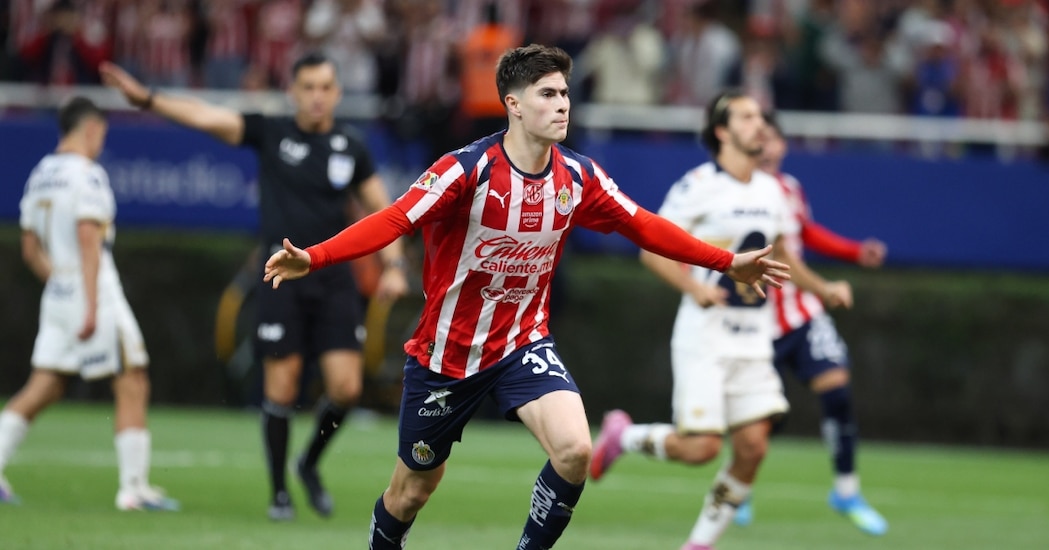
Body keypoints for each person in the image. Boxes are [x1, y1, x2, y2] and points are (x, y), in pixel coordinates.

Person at [262, 44, 790, 550]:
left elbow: (644, 225)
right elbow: (395, 218)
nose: (561, 104)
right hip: (447, 355)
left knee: (575, 449)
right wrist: (316, 256)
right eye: (546, 94)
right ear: (512, 104)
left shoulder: (579, 176)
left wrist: (727, 262)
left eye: (564, 93)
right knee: (411, 492)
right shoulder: (465, 170)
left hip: (522, 344)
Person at [99, 52, 410, 521]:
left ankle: (308, 463)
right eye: (308, 86)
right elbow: (207, 116)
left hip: (332, 281)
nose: (317, 96)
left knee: (346, 389)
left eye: (325, 86)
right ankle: (279, 490)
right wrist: (147, 99)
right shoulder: (272, 132)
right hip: (281, 276)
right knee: (281, 388)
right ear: (293, 92)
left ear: (338, 93)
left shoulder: (352, 145)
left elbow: (383, 212)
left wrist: (393, 265)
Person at [588, 89, 853, 550]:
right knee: (702, 449)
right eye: (747, 117)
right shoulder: (697, 186)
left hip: (754, 340)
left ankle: (698, 544)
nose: (760, 125)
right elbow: (652, 249)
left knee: (753, 448)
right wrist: (695, 288)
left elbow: (787, 254)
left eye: (761, 117)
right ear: (722, 131)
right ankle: (623, 435)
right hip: (705, 336)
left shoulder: (774, 190)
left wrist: (822, 287)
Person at [0, 97, 179, 512]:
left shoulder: (41, 174)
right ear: (92, 129)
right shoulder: (89, 176)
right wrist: (91, 304)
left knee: (44, 385)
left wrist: (60, 283)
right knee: (132, 377)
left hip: (59, 292)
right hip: (93, 291)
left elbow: (29, 248)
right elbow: (88, 238)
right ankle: (133, 489)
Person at [730, 112, 888, 535]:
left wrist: (855, 252)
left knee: (836, 389)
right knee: (764, 417)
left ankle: (847, 490)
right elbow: (779, 254)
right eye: (760, 136)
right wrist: (826, 286)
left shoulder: (790, 189)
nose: (768, 144)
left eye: (774, 136)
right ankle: (739, 489)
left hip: (801, 312)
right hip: (756, 319)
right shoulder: (736, 190)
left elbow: (804, 235)